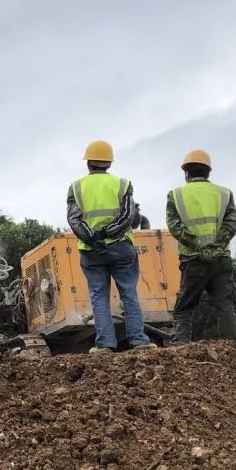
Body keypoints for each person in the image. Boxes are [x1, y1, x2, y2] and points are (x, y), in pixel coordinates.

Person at [66, 140, 154, 354]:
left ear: (88, 163)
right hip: (120, 247)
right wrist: (108, 234)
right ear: (109, 164)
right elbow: (127, 216)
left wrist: (94, 238)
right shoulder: (123, 184)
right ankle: (139, 341)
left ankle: (105, 343)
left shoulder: (76, 187)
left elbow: (74, 220)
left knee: (98, 296)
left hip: (91, 250)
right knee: (128, 293)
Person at [165, 149, 236, 345]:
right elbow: (231, 224)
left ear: (186, 172)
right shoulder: (224, 193)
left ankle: (180, 349)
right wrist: (216, 247)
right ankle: (230, 350)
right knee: (225, 305)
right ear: (208, 172)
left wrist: (198, 245)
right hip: (221, 259)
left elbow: (175, 226)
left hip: (192, 260)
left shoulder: (175, 195)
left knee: (184, 307)